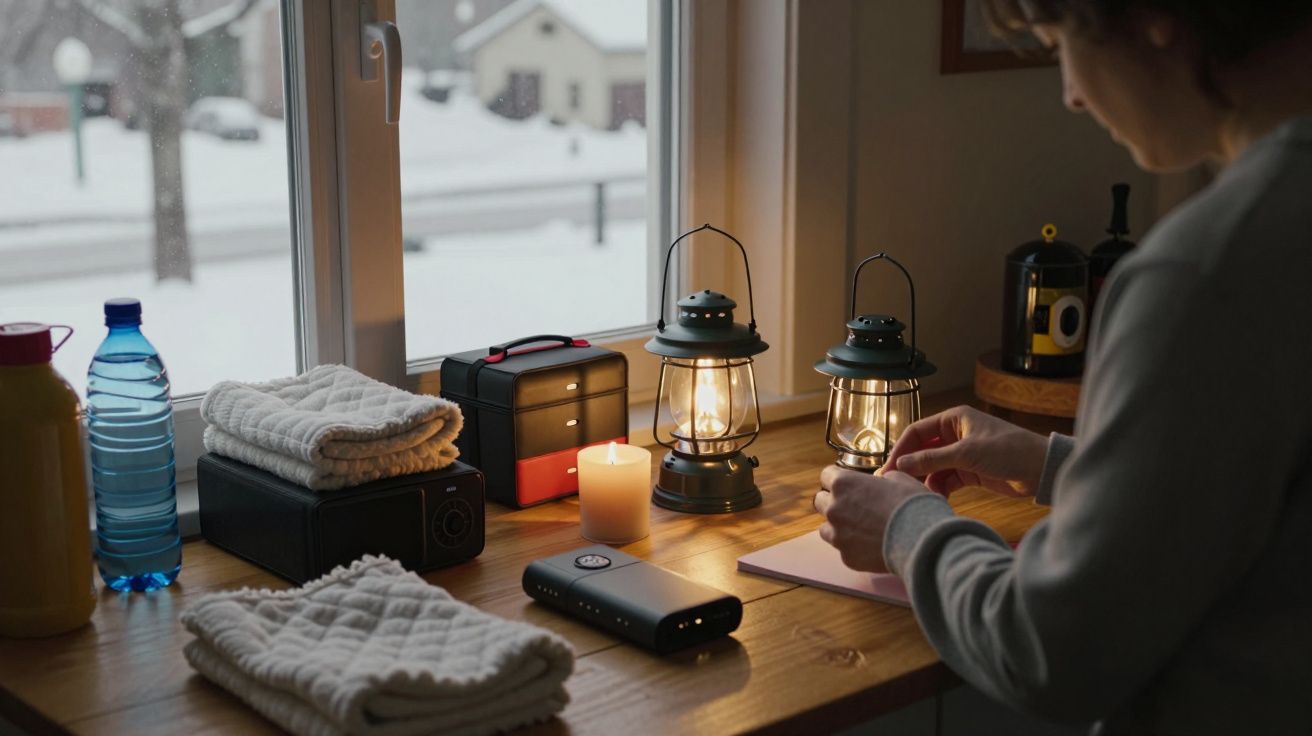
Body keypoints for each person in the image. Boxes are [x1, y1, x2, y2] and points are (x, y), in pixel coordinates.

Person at [812, 1, 1312, 733]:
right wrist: (1060, 465)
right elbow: (1267, 502)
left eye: (1058, 44)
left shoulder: (1208, 270)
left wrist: (906, 528)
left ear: (1154, 14)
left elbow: (1050, 651)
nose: (1072, 94)